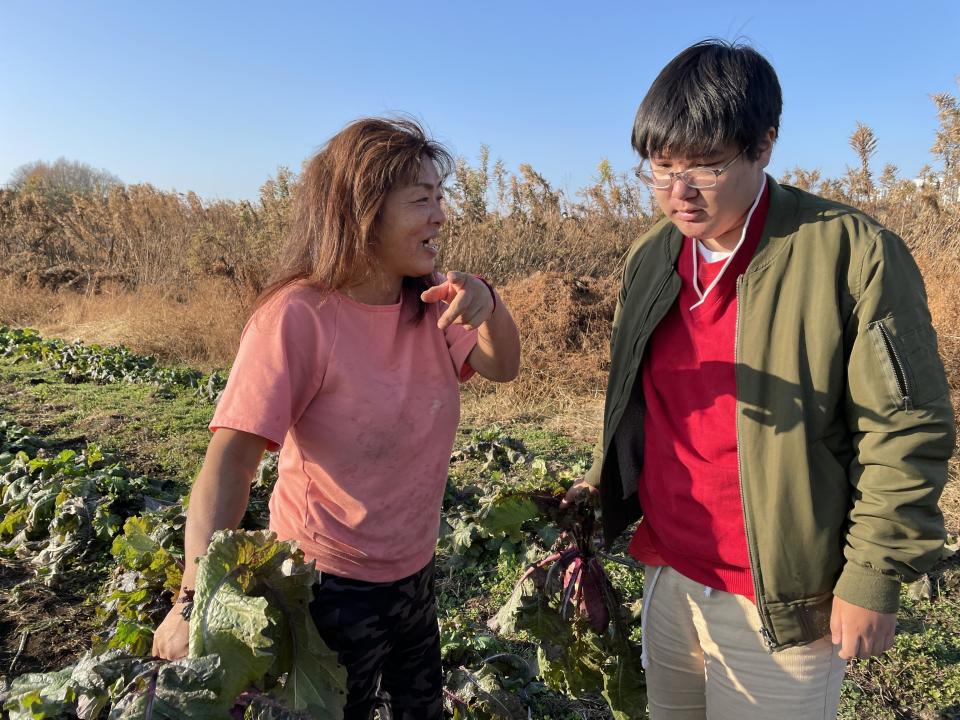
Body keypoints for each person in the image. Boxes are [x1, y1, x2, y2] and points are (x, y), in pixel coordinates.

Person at [564, 40, 955, 719]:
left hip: (781, 594)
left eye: (707, 168)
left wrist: (873, 575)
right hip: (670, 568)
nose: (678, 194)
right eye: (660, 168)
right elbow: (647, 398)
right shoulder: (652, 257)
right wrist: (605, 478)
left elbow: (906, 429)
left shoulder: (850, 254)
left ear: (765, 144)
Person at [152, 117, 521, 720]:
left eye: (440, 197)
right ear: (363, 211)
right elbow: (230, 463)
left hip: (415, 573)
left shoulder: (431, 303)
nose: (440, 216)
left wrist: (490, 305)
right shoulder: (299, 316)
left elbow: (502, 365)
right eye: (421, 200)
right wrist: (192, 602)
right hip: (324, 589)